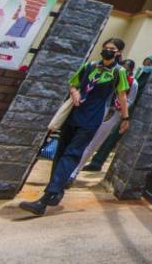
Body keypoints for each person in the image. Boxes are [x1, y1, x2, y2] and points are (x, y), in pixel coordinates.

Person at [19, 38, 129, 215]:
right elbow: (73, 83)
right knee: (61, 153)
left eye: (112, 49)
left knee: (72, 154)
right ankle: (57, 190)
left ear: (119, 53)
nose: (108, 50)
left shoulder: (118, 71)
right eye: (106, 47)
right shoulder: (89, 66)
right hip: (74, 115)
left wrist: (125, 117)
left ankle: (44, 199)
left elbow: (122, 95)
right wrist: (75, 92)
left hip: (92, 119)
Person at [81, 54, 152, 172]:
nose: (146, 66)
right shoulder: (139, 74)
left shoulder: (148, 78)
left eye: (149, 64)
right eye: (145, 63)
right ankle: (95, 161)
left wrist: (126, 112)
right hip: (116, 108)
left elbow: (133, 95)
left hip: (129, 111)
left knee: (112, 136)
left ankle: (97, 161)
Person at [69, 58, 138, 181]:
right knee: (81, 138)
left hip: (113, 113)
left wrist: (120, 109)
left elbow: (129, 100)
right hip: (97, 109)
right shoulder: (109, 74)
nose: (124, 69)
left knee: (94, 143)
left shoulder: (133, 83)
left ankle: (74, 171)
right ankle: (69, 167)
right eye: (123, 66)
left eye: (127, 67)